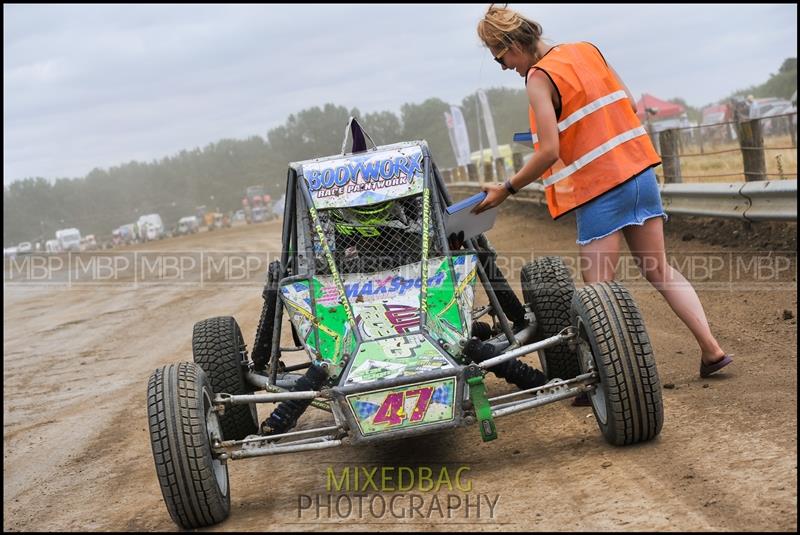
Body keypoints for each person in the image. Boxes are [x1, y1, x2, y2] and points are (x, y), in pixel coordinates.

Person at [472, 6, 733, 405]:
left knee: (598, 297)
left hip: (599, 189)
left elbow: (549, 152)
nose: (504, 67)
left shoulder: (540, 77)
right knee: (659, 269)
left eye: (499, 57)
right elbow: (625, 101)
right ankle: (712, 350)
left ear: (511, 45)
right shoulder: (587, 50)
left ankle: (599, 383)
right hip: (640, 174)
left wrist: (506, 187)